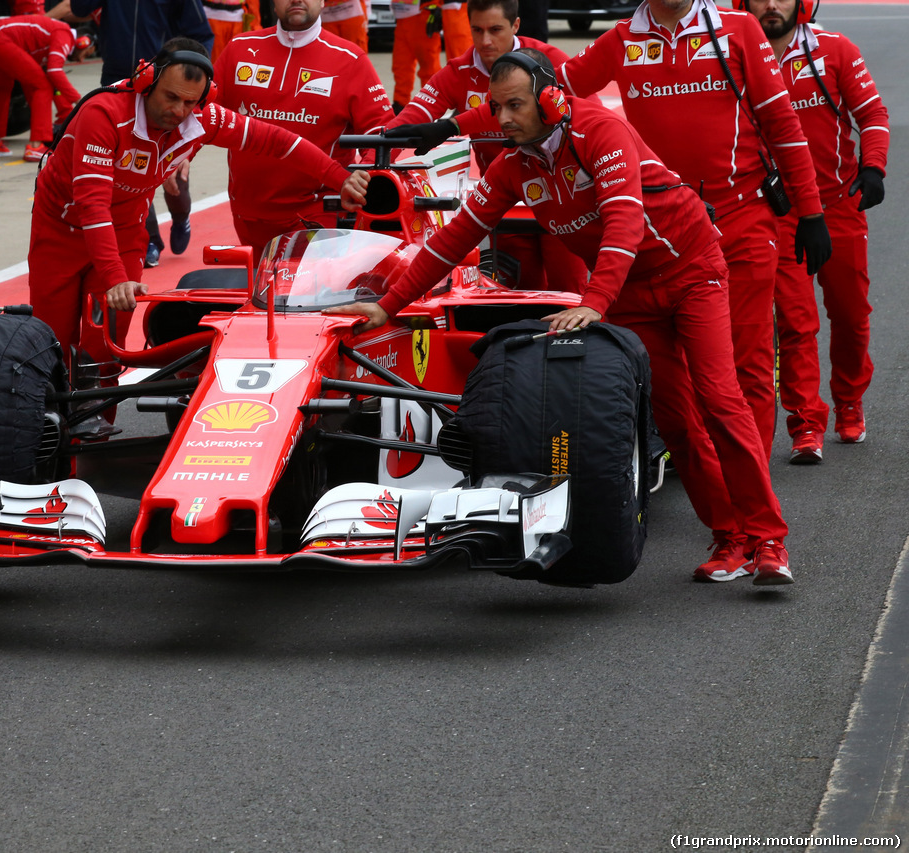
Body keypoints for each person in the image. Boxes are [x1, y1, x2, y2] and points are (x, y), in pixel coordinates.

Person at [326, 50, 794, 584]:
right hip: (632, 292)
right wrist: (386, 304)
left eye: (514, 105)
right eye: (496, 107)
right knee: (676, 420)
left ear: (550, 99)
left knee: (718, 396)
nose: (502, 119)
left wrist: (593, 301)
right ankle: (730, 536)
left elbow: (624, 220)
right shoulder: (511, 167)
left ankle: (770, 540)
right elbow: (453, 241)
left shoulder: (600, 131)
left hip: (691, 269)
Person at [555, 0, 831, 456]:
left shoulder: (739, 28)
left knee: (750, 362)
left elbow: (783, 125)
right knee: (679, 377)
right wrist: (449, 124)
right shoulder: (621, 38)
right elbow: (543, 93)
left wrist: (811, 212)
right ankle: (712, 479)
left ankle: (749, 492)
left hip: (743, 217)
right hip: (667, 232)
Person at [30, 39, 369, 392]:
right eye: (171, 97)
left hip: (125, 231)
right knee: (48, 341)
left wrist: (340, 178)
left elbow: (279, 141)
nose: (179, 111)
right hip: (61, 232)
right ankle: (42, 431)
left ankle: (93, 432)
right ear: (147, 82)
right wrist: (115, 277)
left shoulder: (204, 118)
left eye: (190, 102)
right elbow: (92, 205)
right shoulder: (103, 115)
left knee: (105, 346)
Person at [746, 0, 889, 460]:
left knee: (850, 316)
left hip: (839, 206)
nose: (771, 5)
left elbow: (873, 115)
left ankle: (849, 401)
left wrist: (873, 167)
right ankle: (805, 424)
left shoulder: (835, 50)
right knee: (794, 322)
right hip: (778, 212)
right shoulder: (735, 57)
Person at [384, 0, 590, 291]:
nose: (485, 41)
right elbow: (405, 123)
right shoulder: (458, 71)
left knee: (570, 294)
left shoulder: (550, 61)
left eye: (495, 29)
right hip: (507, 204)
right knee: (517, 298)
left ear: (516, 25)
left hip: (563, 201)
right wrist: (366, 166)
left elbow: (590, 122)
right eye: (476, 30)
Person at [213, 0, 393, 259]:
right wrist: (182, 156)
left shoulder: (351, 59)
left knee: (302, 294)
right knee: (262, 296)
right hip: (247, 215)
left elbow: (382, 134)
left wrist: (364, 176)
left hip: (316, 215)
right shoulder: (238, 49)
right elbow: (201, 116)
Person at [71, 0, 213, 266]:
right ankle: (148, 238)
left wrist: (193, 82)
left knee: (174, 175)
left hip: (166, 86)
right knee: (127, 169)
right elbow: (79, 8)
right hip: (117, 82)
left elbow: (202, 34)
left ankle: (181, 216)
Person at [0, 15, 90, 161]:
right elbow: (54, 72)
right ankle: (35, 146)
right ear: (83, 42)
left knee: (5, 85)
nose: (81, 60)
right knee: (42, 86)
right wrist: (79, 101)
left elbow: (34, 84)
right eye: (87, 53)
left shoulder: (53, 36)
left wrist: (65, 111)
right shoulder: (64, 33)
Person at [391, 2, 442, 113]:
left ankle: (431, 105)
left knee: (429, 66)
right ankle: (400, 104)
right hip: (404, 15)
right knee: (401, 65)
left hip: (424, 13)